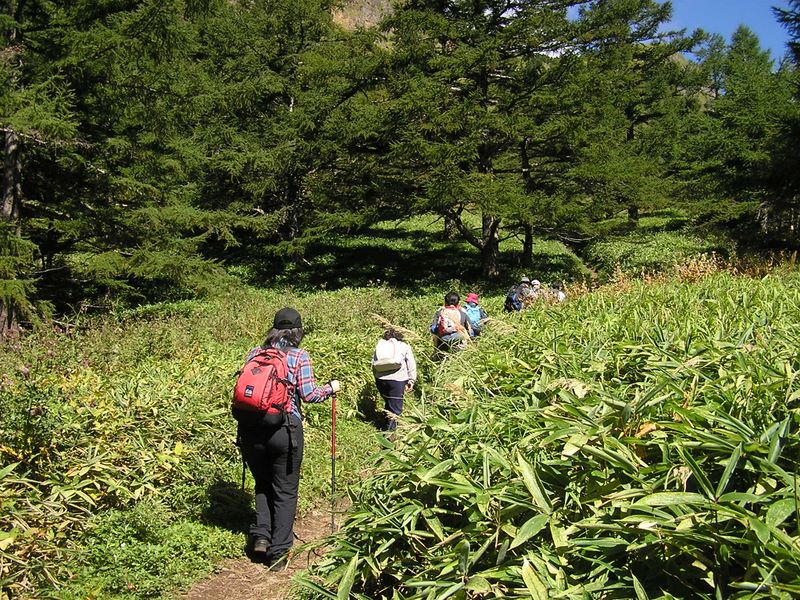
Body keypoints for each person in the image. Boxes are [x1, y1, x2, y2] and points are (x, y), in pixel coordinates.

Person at [232, 307, 340, 569]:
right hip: (285, 429)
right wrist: (331, 389)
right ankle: (279, 553)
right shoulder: (299, 356)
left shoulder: (254, 353)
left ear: (274, 329)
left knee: (263, 483)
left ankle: (261, 537)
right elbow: (310, 394)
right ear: (298, 330)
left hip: (251, 428)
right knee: (285, 490)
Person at [371, 328, 417, 431]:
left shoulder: (380, 346)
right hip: (397, 380)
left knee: (389, 402)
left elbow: (373, 363)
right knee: (395, 409)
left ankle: (386, 423)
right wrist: (411, 380)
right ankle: (390, 435)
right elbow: (411, 364)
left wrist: (376, 377)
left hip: (380, 380)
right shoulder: (404, 346)